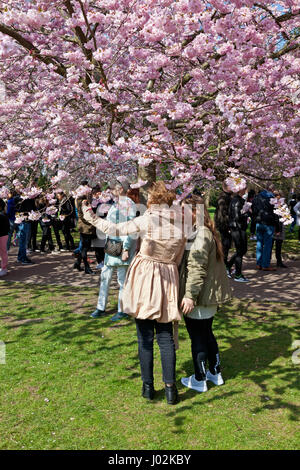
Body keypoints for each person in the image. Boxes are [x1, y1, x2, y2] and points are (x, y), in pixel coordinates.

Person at [83, 181, 186, 405]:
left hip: (146, 277)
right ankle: (170, 389)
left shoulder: (148, 219)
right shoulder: (179, 226)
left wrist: (89, 216)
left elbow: (114, 230)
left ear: (154, 200)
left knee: (145, 337)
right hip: (168, 278)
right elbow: (178, 260)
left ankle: (148, 386)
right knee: (165, 336)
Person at [179, 194, 232, 392]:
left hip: (201, 296)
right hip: (208, 295)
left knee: (198, 338)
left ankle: (200, 378)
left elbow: (197, 267)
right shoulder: (204, 231)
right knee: (207, 334)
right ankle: (215, 372)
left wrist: (190, 295)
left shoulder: (201, 234)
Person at [89, 177, 137, 320]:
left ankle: (122, 309)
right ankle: (100, 307)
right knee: (105, 276)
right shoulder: (115, 204)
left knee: (122, 279)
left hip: (123, 246)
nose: (111, 191)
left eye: (114, 188)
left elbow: (130, 228)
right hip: (112, 245)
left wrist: (127, 248)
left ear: (121, 189)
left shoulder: (129, 204)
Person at [252, 187, 280, 271]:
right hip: (269, 223)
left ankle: (258, 263)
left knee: (259, 243)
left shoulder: (256, 197)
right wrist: (278, 228)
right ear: (271, 190)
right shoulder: (273, 198)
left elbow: (254, 211)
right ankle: (265, 265)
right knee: (268, 245)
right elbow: (276, 214)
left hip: (259, 222)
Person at [227, 187, 250, 282]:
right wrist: (246, 214)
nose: (246, 191)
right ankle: (238, 275)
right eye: (244, 189)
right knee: (240, 251)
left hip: (239, 228)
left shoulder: (238, 200)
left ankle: (228, 266)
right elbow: (237, 216)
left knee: (242, 250)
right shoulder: (236, 201)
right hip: (237, 228)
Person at [74, 192, 97, 274]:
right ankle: (87, 268)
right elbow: (84, 216)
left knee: (84, 247)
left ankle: (77, 263)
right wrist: (93, 222)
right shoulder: (83, 202)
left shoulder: (78, 200)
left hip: (83, 227)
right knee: (85, 248)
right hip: (86, 228)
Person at [214, 182, 232, 277]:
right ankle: (224, 266)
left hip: (223, 224)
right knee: (225, 245)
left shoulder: (226, 196)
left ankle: (225, 265)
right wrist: (228, 225)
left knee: (226, 245)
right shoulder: (223, 198)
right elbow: (222, 213)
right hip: (224, 225)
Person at [16, 196, 36, 264]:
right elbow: (31, 209)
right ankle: (23, 258)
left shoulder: (24, 198)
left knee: (22, 240)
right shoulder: (26, 199)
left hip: (23, 220)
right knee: (24, 240)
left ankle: (20, 257)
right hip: (25, 221)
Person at [272, 190, 288, 268]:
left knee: (278, 245)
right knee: (271, 245)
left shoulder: (283, 204)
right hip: (274, 226)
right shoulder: (272, 203)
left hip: (280, 226)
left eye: (278, 195)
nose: (277, 196)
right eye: (275, 195)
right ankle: (267, 262)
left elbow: (286, 214)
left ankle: (279, 261)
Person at [0, 198, 10, 276]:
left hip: (3, 235)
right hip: (3, 234)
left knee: (3, 252)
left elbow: (7, 227)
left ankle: (4, 268)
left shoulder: (3, 216)